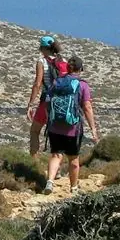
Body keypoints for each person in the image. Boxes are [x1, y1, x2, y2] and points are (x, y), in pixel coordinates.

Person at [42, 56, 99, 194]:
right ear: (81, 69)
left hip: (55, 126)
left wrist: (50, 118)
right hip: (73, 128)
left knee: (56, 155)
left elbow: (47, 102)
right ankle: (73, 188)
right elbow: (87, 107)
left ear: (67, 68)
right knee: (73, 158)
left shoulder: (57, 82)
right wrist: (93, 128)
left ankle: (50, 182)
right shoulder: (82, 85)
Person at [26, 36, 71, 157]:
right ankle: (58, 164)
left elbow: (37, 84)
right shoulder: (64, 61)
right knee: (57, 134)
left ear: (43, 48)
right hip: (62, 102)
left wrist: (30, 104)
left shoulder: (42, 62)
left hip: (47, 101)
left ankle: (34, 162)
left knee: (34, 131)